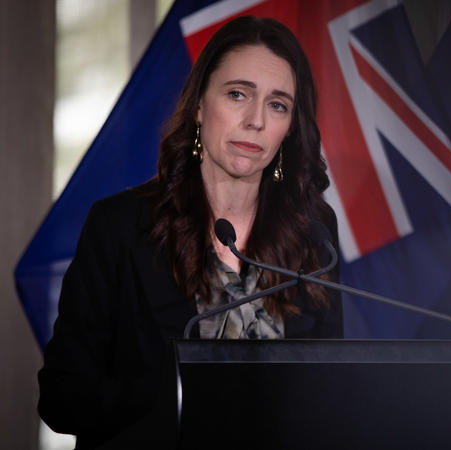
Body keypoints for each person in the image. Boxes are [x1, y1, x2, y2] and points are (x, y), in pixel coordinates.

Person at [38, 16, 343, 449]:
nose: (255, 119)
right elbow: (61, 398)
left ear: (290, 127)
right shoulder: (121, 225)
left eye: (277, 104)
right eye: (238, 94)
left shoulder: (313, 232)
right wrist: (182, 390)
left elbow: (333, 386)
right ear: (199, 104)